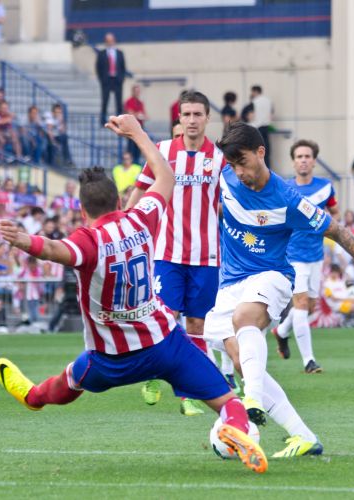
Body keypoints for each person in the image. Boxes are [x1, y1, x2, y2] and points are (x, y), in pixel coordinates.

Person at [0, 114, 268, 474]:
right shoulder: (141, 218)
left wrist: (22, 240)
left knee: (69, 381)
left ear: (82, 209)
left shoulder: (88, 241)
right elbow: (166, 176)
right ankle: (233, 428)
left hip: (110, 358)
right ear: (118, 200)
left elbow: (50, 249)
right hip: (165, 345)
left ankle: (32, 397)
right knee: (227, 400)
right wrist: (137, 132)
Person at [205, 122, 354, 457]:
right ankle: (304, 436)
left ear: (261, 152)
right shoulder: (226, 172)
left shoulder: (288, 200)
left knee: (245, 321)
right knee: (241, 360)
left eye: (244, 162)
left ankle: (250, 401)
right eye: (234, 164)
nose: (239, 171)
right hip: (229, 283)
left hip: (272, 275)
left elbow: (337, 230)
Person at [126, 90, 224, 417]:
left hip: (207, 257)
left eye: (198, 114)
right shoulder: (163, 151)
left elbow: (233, 201)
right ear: (178, 119)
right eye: (187, 115)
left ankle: (190, 395)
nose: (192, 120)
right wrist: (123, 229)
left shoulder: (221, 158)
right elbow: (140, 189)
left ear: (208, 118)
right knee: (166, 320)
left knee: (197, 324)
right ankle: (154, 375)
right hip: (167, 253)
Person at [271, 140, 339, 373]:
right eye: (299, 156)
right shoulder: (284, 188)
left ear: (314, 160)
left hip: (316, 255)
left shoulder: (326, 187)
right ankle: (309, 361)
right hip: (292, 256)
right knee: (300, 304)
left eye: (307, 156)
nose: (303, 160)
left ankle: (280, 332)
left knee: (308, 306)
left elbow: (334, 214)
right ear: (293, 161)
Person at [95, 32, 126, 125]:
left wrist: (121, 78)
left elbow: (123, 67)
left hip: (117, 80)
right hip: (106, 80)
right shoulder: (102, 53)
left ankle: (119, 120)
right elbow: (98, 68)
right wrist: (102, 79)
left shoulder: (119, 53)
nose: (110, 42)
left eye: (111, 40)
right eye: (108, 41)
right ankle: (103, 120)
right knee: (105, 100)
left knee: (118, 101)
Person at [248, 85, 273, 167]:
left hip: (257, 128)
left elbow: (251, 116)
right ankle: (267, 169)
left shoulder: (254, 101)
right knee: (266, 151)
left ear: (255, 91)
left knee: (257, 151)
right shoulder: (268, 101)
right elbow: (271, 114)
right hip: (266, 127)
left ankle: (258, 169)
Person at [123, 84, 146, 163]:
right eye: (136, 91)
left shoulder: (140, 102)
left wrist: (139, 115)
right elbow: (130, 113)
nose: (138, 93)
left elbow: (145, 115)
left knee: (138, 148)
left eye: (138, 91)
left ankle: (136, 164)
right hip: (131, 128)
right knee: (131, 148)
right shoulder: (129, 101)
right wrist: (138, 114)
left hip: (139, 127)